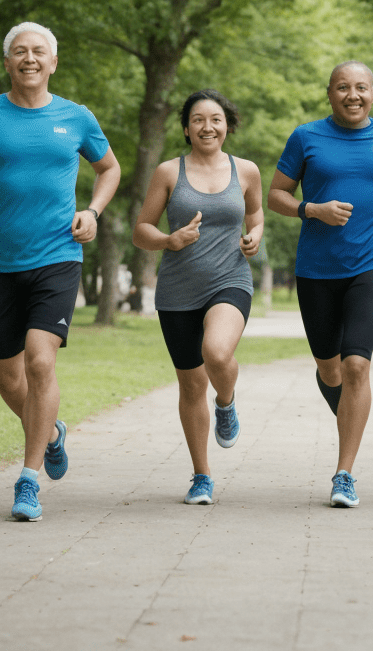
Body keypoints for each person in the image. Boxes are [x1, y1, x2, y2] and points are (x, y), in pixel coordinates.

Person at [0, 23, 120, 521]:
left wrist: (93, 212)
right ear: (8, 63)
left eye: (40, 52)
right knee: (9, 377)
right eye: (20, 52)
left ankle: (28, 480)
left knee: (41, 363)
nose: (30, 59)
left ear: (53, 63)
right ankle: (51, 429)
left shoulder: (76, 117)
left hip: (58, 257)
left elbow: (110, 169)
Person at [267, 61, 373, 507]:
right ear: (329, 93)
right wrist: (311, 209)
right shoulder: (306, 136)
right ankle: (352, 416)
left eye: (360, 88)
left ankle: (344, 473)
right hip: (316, 270)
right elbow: (276, 194)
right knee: (329, 368)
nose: (352, 95)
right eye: (342, 88)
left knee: (356, 365)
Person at [132, 89, 264, 505]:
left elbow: (257, 215)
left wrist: (254, 236)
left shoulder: (246, 171)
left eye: (216, 119)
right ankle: (202, 476)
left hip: (230, 279)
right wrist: (169, 240)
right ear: (187, 128)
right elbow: (141, 230)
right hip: (177, 290)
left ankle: (226, 401)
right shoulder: (169, 172)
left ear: (227, 125)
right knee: (190, 387)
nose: (208, 126)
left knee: (217, 353)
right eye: (198, 120)